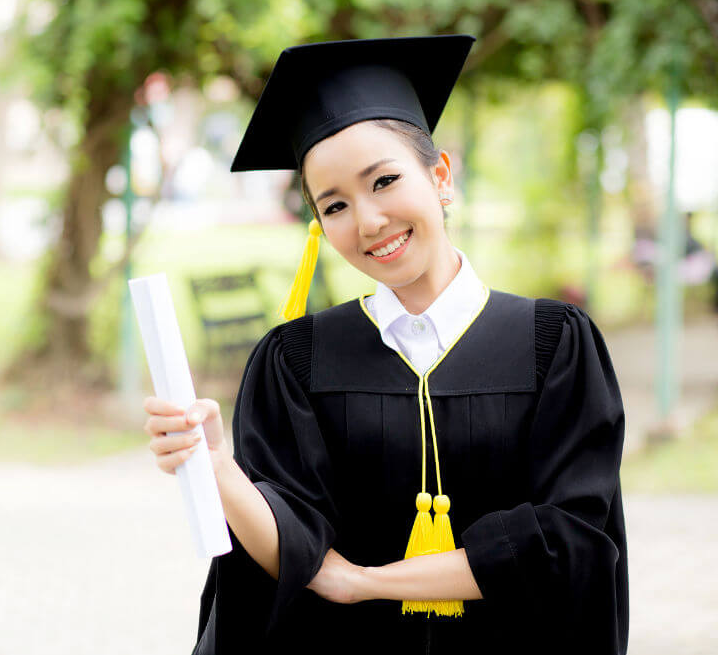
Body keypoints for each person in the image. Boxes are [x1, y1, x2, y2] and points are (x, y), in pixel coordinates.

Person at [142, 35, 628, 655]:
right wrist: (215, 466)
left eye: (385, 180)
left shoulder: (553, 344)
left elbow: (571, 540)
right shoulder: (296, 360)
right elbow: (289, 550)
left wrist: (364, 583)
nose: (368, 221)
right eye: (336, 204)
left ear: (441, 175)